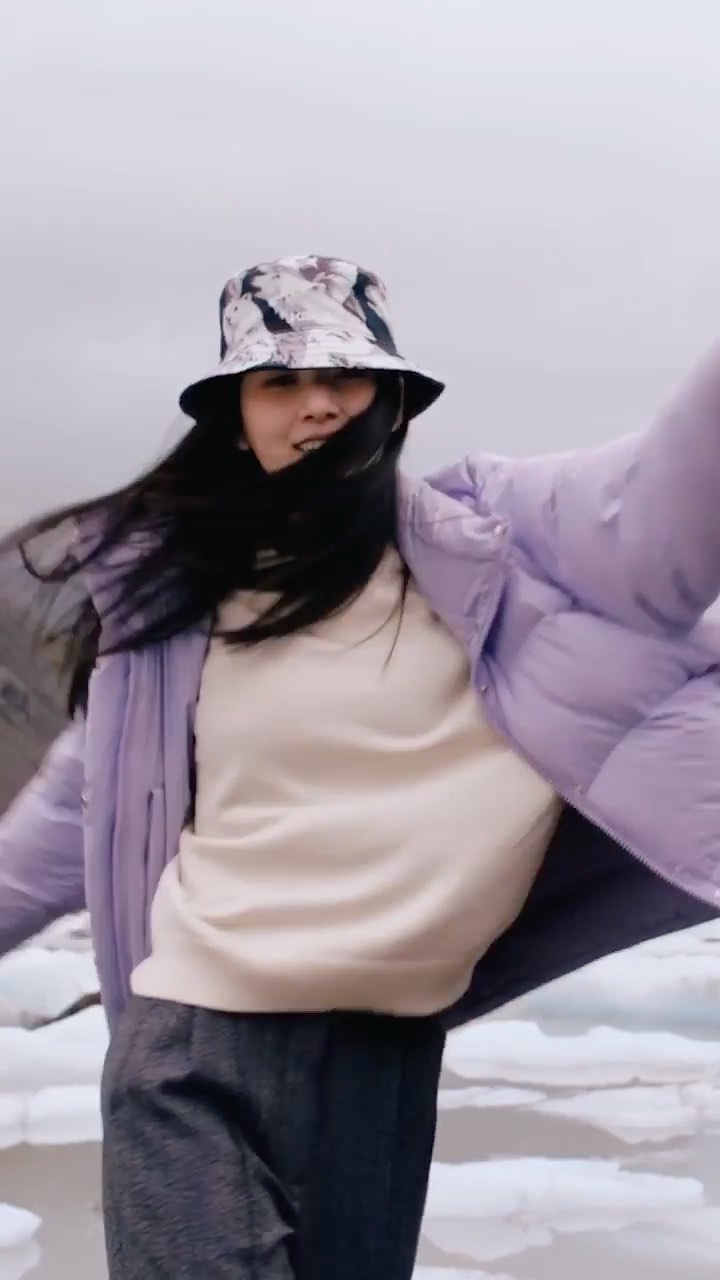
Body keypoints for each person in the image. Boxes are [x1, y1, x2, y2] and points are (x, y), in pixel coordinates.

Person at [1, 253, 719, 1278]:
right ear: (236, 418)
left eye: (345, 376)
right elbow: (59, 828)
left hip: (383, 1064)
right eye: (279, 381)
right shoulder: (179, 618)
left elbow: (673, 487)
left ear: (395, 403)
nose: (317, 403)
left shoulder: (510, 546)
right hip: (195, 1056)